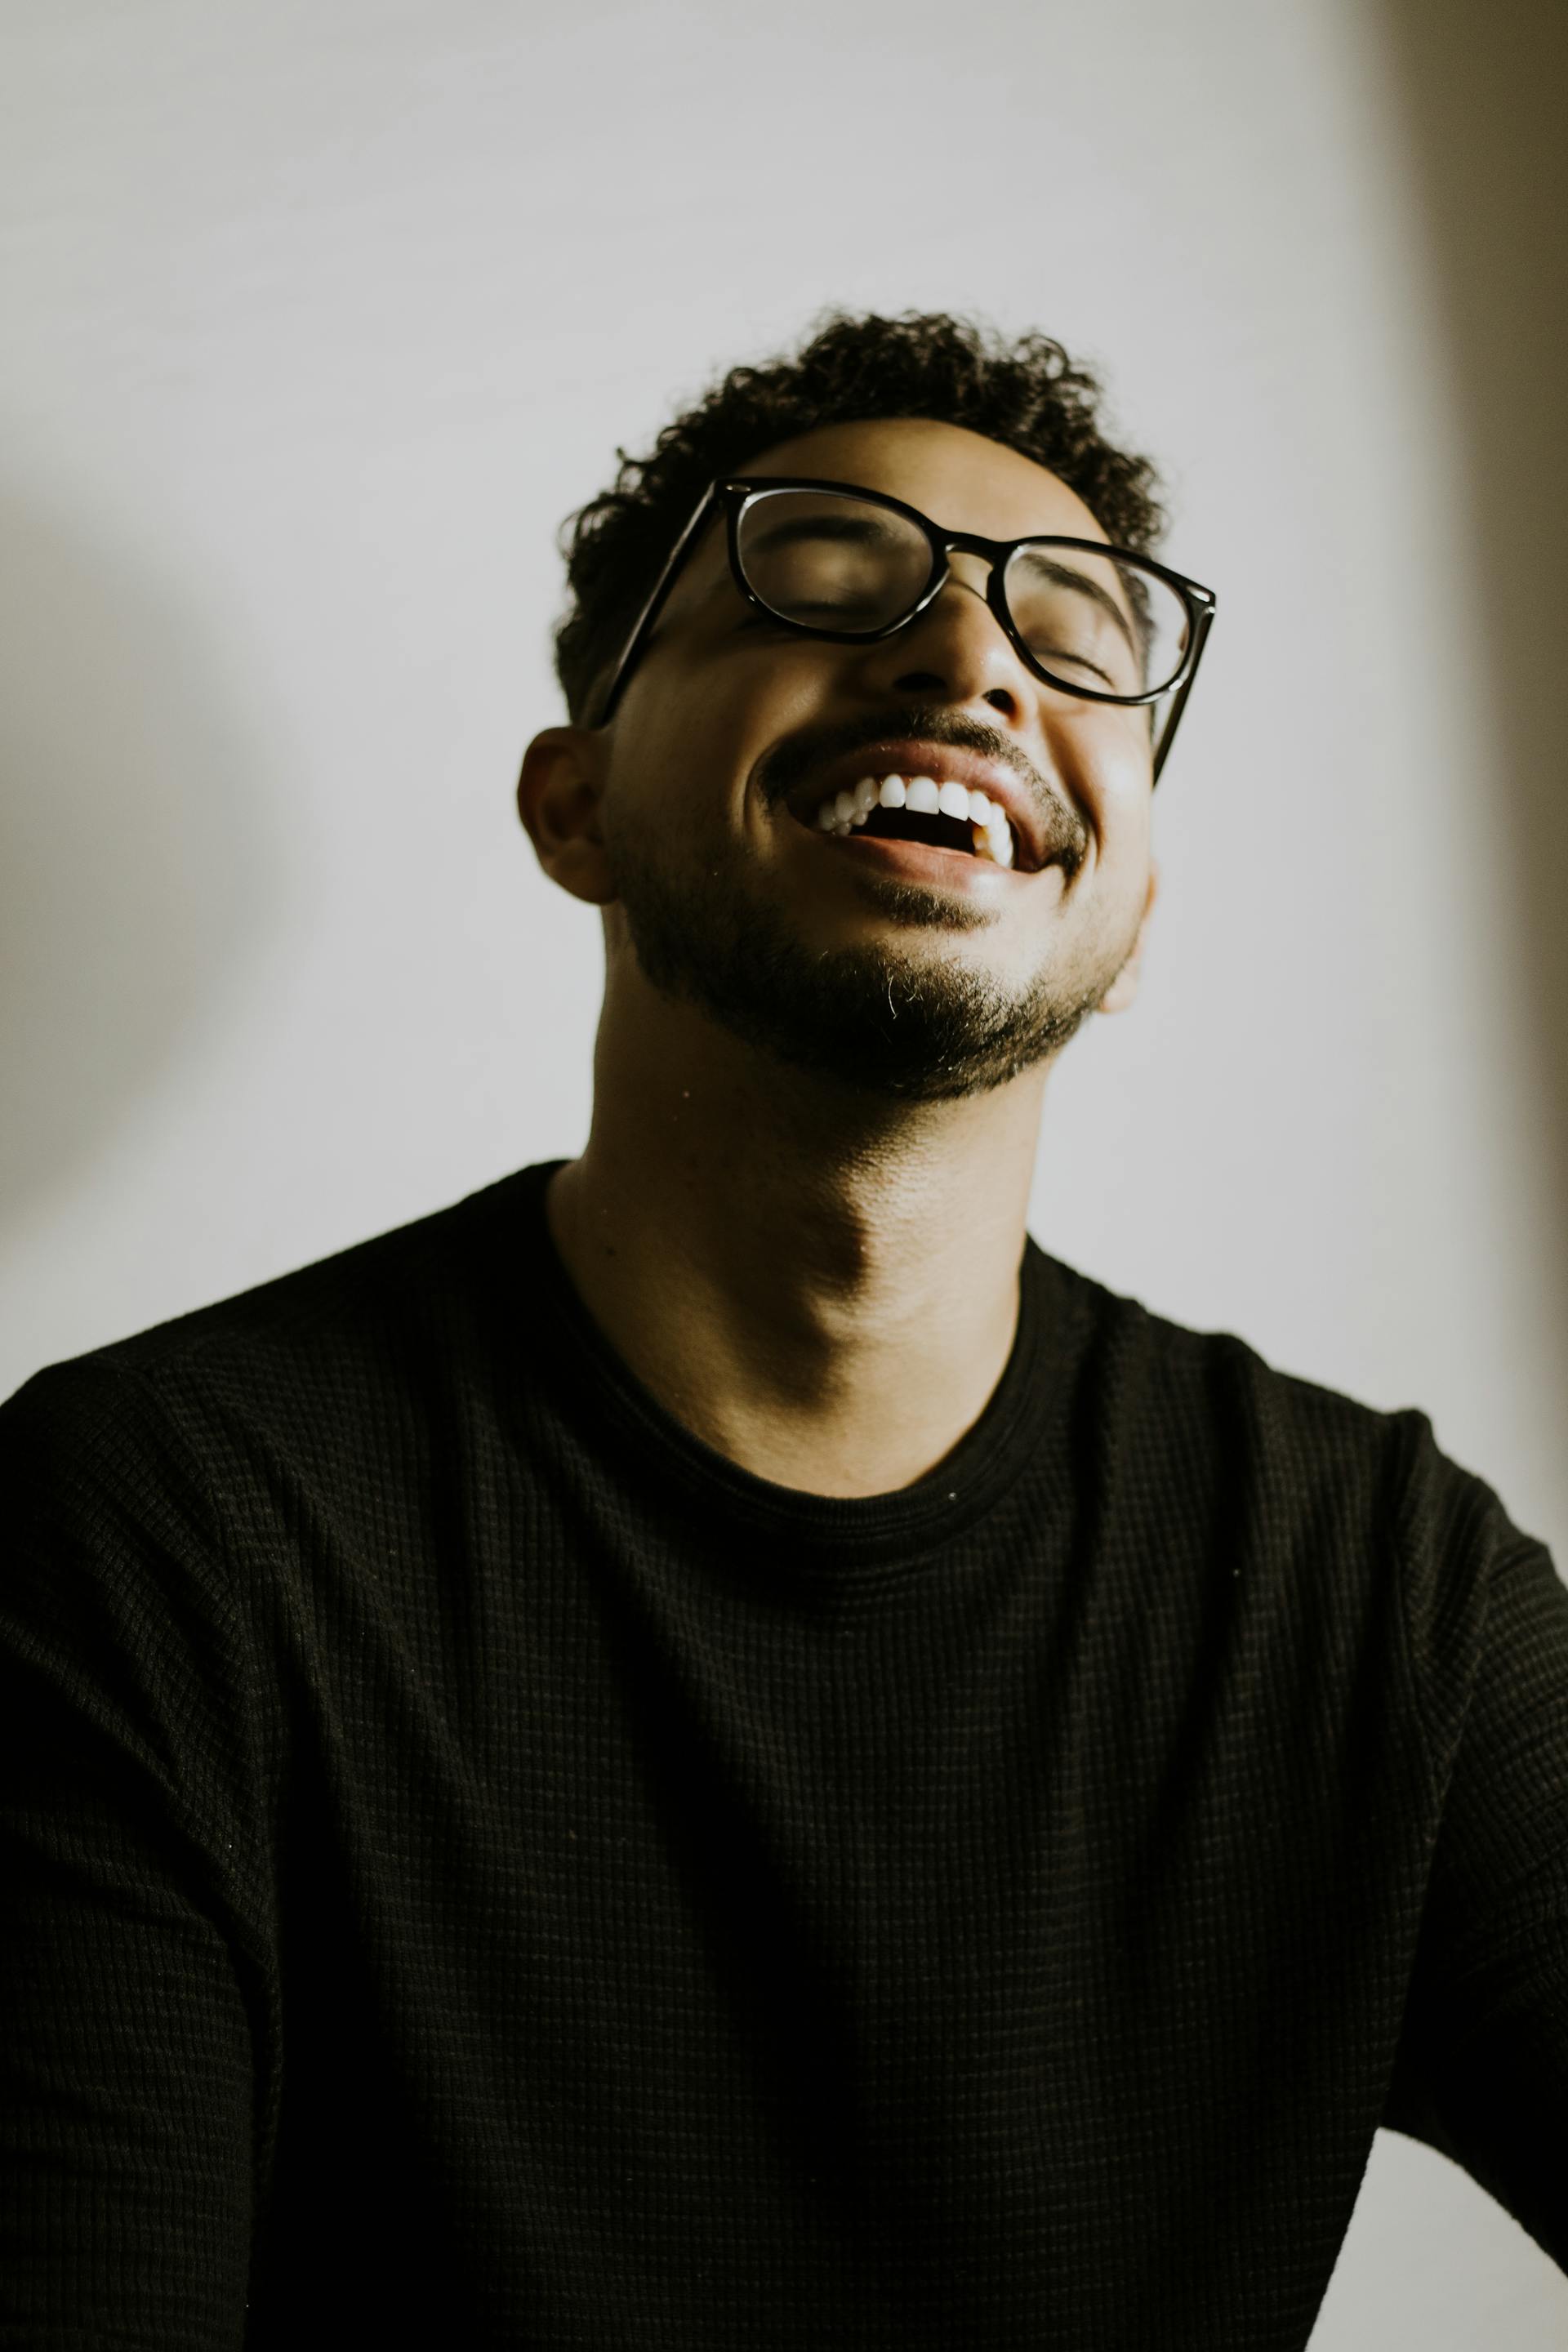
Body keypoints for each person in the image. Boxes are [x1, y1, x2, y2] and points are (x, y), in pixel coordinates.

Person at [2, 310, 1563, 2349]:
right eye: (822, 580)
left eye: (1077, 633)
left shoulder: (1380, 1594)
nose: (970, 660)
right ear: (577, 807)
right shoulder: (152, 1536)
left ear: (1134, 908)